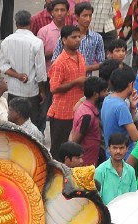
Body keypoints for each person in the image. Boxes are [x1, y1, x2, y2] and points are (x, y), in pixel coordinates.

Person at [1, 10, 48, 129]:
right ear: (31, 23)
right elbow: (40, 72)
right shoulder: (37, 43)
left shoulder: (7, 41)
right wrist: (42, 91)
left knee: (13, 124)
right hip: (31, 92)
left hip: (13, 90)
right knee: (30, 124)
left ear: (16, 24)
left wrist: (17, 76)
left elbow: (3, 66)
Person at [46, 25, 86, 160]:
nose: (77, 40)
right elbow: (54, 88)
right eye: (73, 37)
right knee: (58, 151)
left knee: (74, 150)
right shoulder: (60, 63)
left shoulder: (80, 57)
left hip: (78, 111)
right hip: (62, 114)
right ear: (64, 40)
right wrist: (76, 82)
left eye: (79, 36)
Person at [100, 67, 138, 154]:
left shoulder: (108, 99)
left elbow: (126, 124)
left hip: (111, 152)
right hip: (122, 156)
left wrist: (132, 108)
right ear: (130, 85)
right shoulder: (121, 106)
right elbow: (136, 137)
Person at [69, 76, 106, 166]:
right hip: (87, 163)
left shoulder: (83, 107)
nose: (106, 94)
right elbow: (75, 141)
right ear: (96, 94)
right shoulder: (87, 116)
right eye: (104, 91)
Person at [93, 132, 136, 204]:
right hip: (107, 212)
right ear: (109, 148)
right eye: (115, 148)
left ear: (127, 149)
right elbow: (96, 199)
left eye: (121, 148)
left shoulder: (130, 171)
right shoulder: (100, 171)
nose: (118, 151)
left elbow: (133, 196)